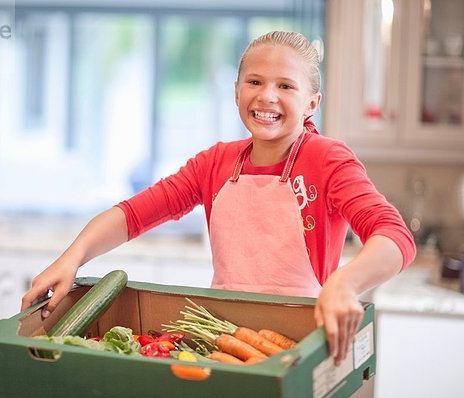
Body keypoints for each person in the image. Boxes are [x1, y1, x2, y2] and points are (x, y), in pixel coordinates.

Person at [21, 31, 416, 366]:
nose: (267, 97)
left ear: (313, 102)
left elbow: (394, 237)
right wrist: (71, 258)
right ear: (236, 90)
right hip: (224, 342)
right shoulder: (216, 163)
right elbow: (133, 215)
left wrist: (346, 284)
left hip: (299, 345)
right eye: (255, 82)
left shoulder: (327, 159)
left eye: (286, 86)